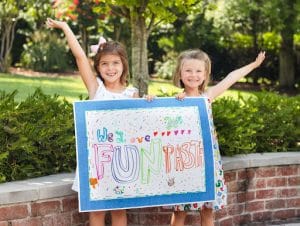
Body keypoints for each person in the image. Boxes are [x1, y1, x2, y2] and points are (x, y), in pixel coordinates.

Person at [46, 18, 139, 226]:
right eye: (104, 64)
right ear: (98, 67)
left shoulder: (133, 94)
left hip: (121, 161)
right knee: (96, 210)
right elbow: (79, 56)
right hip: (96, 160)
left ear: (124, 64)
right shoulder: (96, 88)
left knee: (119, 210)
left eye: (115, 63)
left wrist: (149, 102)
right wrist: (65, 27)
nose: (110, 68)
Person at [171, 49, 265, 226]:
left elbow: (231, 77)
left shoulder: (207, 97)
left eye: (198, 71)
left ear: (205, 74)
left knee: (207, 209)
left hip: (207, 162)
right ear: (180, 74)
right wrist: (169, 102)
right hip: (183, 163)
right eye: (188, 70)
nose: (193, 75)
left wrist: (254, 65)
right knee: (180, 210)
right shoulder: (175, 101)